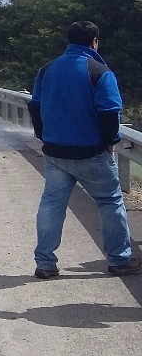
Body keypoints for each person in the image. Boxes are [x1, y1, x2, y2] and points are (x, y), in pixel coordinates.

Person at [28, 20, 140, 278]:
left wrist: (43, 134)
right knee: (110, 202)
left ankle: (45, 263)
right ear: (94, 42)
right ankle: (119, 260)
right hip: (92, 152)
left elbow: (35, 106)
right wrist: (110, 140)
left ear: (68, 41)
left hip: (55, 152)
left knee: (52, 204)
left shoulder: (47, 70)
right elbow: (110, 112)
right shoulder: (100, 72)